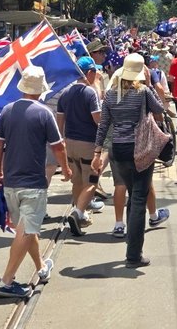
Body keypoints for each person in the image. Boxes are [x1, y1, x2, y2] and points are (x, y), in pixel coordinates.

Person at [0, 65, 71, 298]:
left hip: (11, 182)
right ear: (41, 88)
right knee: (27, 231)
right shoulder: (44, 113)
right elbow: (58, 146)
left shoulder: (7, 110)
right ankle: (6, 281)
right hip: (33, 182)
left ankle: (41, 266)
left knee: (27, 229)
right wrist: (66, 169)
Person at [92, 54, 164, 268]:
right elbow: (160, 109)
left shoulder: (111, 94)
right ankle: (133, 254)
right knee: (139, 198)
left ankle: (132, 244)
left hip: (118, 150)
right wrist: (149, 85)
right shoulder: (142, 92)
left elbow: (103, 126)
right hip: (140, 147)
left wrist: (97, 153)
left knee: (134, 195)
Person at [57, 56, 102, 236]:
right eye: (94, 72)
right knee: (91, 181)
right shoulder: (90, 93)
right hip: (87, 143)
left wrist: (62, 141)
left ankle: (79, 211)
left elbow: (59, 121)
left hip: (70, 143)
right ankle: (78, 213)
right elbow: (98, 119)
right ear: (89, 72)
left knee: (77, 181)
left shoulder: (65, 93)